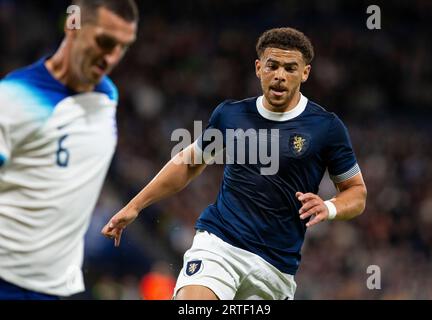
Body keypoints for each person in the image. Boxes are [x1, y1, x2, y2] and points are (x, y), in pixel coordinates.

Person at [102, 27, 367, 300]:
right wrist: (134, 206)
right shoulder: (231, 115)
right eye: (272, 65)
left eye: (290, 68)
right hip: (220, 245)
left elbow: (356, 192)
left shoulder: (327, 128)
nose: (279, 75)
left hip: (275, 269)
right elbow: (188, 163)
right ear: (258, 67)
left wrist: (329, 206)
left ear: (305, 73)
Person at [0, 0, 138, 299]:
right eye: (105, 42)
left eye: (123, 47)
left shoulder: (107, 97)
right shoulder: (13, 100)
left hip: (61, 288)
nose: (112, 57)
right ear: (72, 25)